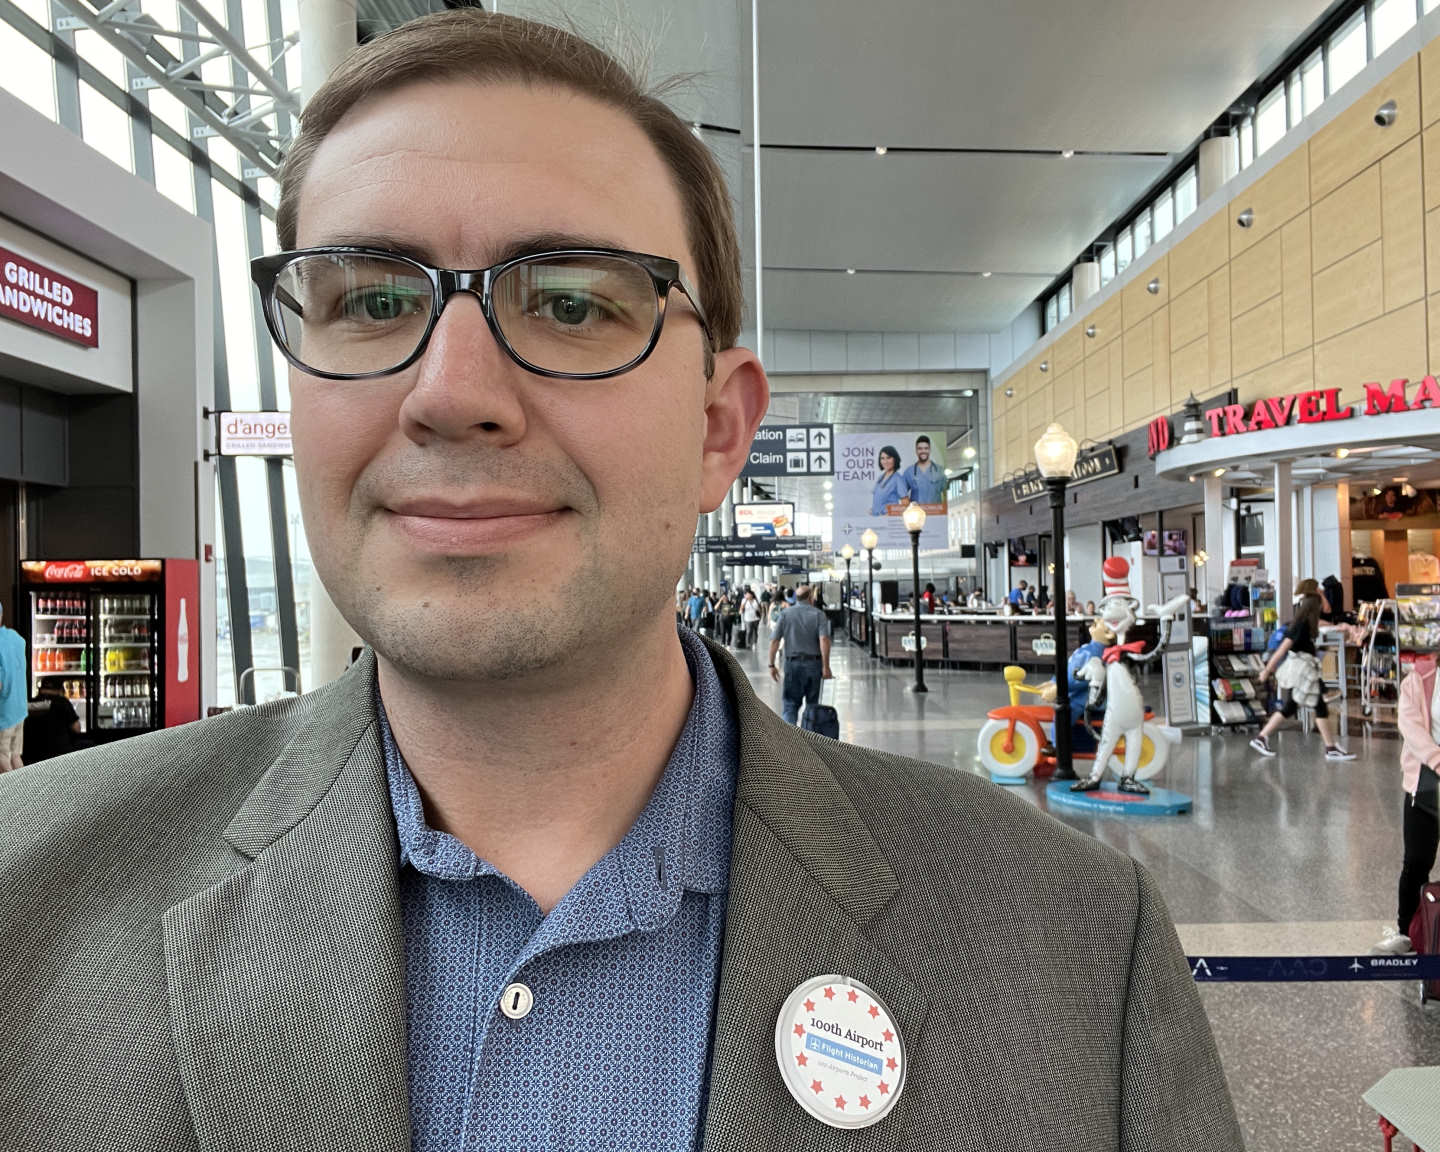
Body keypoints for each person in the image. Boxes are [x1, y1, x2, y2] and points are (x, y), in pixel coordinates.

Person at [0, 12, 1241, 1150]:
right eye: (373, 300)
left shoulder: (1074, 952)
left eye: (576, 306)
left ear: (718, 429)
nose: (452, 393)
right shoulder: (29, 908)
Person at [1374, 653, 1440, 954]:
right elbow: (1411, 728)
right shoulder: (1419, 680)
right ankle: (1406, 933)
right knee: (1416, 862)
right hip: (1424, 785)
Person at [1250, 578, 1355, 760]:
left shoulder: (1306, 623)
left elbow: (1327, 610)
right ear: (1313, 607)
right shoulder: (1300, 626)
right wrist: (1267, 671)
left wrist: (1319, 593)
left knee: (1293, 706)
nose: (1322, 607)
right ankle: (1330, 748)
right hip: (1302, 671)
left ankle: (1262, 737)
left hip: (1305, 670)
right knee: (1318, 706)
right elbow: (1283, 647)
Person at [768, 584, 833, 726]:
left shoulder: (785, 614)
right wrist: (826, 666)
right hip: (814, 665)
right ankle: (808, 740)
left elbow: (774, 641)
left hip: (792, 665)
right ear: (810, 597)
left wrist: (772, 665)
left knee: (790, 705)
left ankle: (790, 743)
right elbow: (824, 640)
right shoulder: (818, 615)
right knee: (812, 706)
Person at [0, 602, 26, 772]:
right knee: (15, 756)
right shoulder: (16, 638)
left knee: (2, 757)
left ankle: (13, 797)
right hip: (20, 709)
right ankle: (25, 792)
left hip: (4, 712)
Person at [902, 434, 946, 505]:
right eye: (920, 448)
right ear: (916, 450)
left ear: (930, 450)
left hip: (936, 513)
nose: (923, 451)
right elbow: (902, 494)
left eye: (926, 448)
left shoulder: (940, 470)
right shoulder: (909, 472)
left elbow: (946, 493)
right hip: (916, 514)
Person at [870, 445, 911, 515]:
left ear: (895, 459)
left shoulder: (898, 479)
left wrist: (889, 514)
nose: (885, 461)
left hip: (888, 520)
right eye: (882, 458)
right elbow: (880, 500)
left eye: (888, 458)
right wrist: (873, 510)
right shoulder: (881, 477)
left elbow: (906, 504)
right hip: (876, 518)